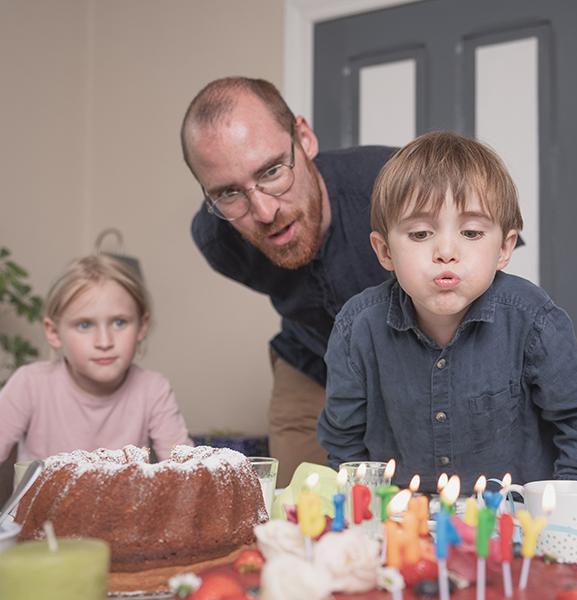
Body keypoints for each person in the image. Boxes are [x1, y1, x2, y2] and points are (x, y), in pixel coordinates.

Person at [317, 131, 577, 491]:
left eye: (472, 233)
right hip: (404, 530)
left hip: (517, 530)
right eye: (420, 234)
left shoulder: (531, 319)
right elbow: (344, 441)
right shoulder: (358, 327)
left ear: (505, 247)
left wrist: (566, 510)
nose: (446, 251)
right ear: (384, 251)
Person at [180, 77, 395, 487]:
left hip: (422, 363)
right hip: (310, 365)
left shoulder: (397, 185)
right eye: (228, 193)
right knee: (301, 514)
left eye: (272, 170)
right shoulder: (216, 239)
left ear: (305, 138)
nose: (263, 211)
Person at [0, 254, 192, 463]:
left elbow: (186, 473)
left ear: (142, 326)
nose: (104, 342)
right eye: (84, 325)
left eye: (119, 322)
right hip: (43, 498)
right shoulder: (30, 384)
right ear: (54, 332)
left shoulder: (154, 390)